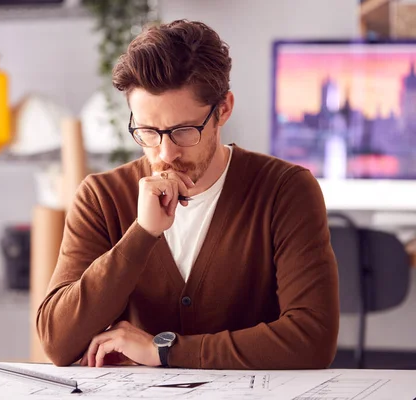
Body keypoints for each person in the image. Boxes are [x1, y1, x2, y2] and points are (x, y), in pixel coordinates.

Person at [36, 19, 339, 370]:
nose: (164, 153)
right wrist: (142, 234)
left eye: (182, 131)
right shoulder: (101, 197)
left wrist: (164, 351)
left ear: (223, 109)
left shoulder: (285, 190)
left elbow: (312, 339)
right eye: (148, 131)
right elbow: (57, 342)